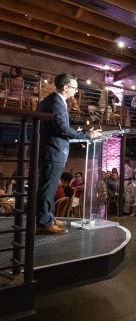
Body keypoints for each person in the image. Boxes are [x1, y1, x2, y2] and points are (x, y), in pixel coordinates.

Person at [36, 74, 100, 234]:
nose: (76, 91)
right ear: (66, 88)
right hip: (53, 152)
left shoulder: (52, 100)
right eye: (74, 87)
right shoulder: (56, 102)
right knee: (47, 189)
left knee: (48, 188)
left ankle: (47, 217)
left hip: (50, 151)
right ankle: (44, 223)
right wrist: (87, 136)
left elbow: (61, 124)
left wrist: (81, 129)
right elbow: (63, 129)